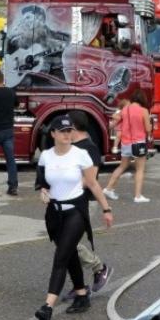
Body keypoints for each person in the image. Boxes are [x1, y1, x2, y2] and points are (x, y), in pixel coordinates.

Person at [34, 115, 114, 320]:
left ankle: (47, 307)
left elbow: (93, 184)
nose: (67, 134)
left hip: (76, 212)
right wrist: (43, 192)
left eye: (69, 130)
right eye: (62, 131)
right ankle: (81, 293)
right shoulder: (46, 157)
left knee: (61, 257)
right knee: (69, 256)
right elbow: (43, 183)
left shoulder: (81, 155)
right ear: (53, 134)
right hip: (55, 213)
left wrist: (106, 208)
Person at [61, 111, 113, 301]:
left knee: (68, 244)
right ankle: (80, 285)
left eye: (67, 126)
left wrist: (106, 209)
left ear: (73, 127)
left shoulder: (89, 149)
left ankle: (99, 268)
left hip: (84, 202)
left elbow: (90, 179)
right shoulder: (71, 147)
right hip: (67, 202)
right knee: (64, 244)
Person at [103, 90, 152, 203]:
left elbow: (114, 120)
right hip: (138, 143)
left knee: (122, 166)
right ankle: (138, 196)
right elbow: (148, 129)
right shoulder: (143, 110)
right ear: (142, 100)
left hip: (125, 142)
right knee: (140, 169)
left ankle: (108, 188)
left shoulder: (124, 110)